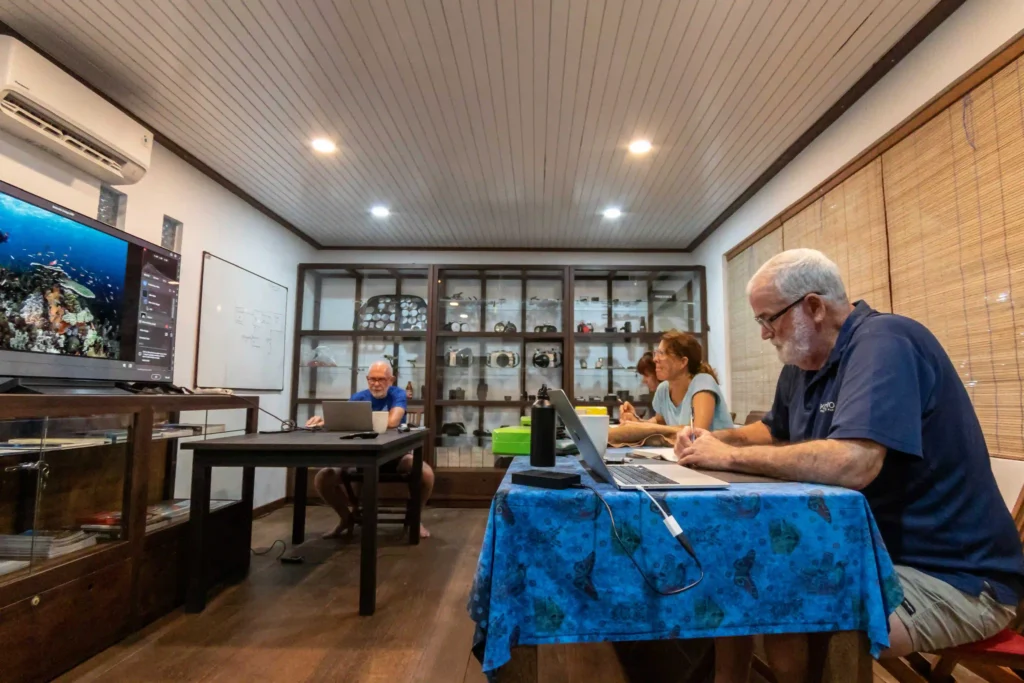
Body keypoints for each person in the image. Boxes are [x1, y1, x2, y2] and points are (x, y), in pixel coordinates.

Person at [675, 249, 1024, 683]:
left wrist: (726, 457)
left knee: (794, 604)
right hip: (865, 552)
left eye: (769, 319)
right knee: (742, 576)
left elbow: (853, 463)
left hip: (956, 577)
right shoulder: (803, 361)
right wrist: (710, 440)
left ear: (814, 307)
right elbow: (773, 430)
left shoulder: (887, 342)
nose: (765, 334)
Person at [305, 360, 435, 539]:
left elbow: (392, 422)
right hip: (360, 457)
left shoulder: (398, 394)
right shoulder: (358, 397)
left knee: (425, 473)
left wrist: (359, 422)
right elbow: (343, 422)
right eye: (372, 379)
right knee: (322, 478)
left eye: (381, 379)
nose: (376, 383)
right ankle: (346, 518)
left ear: (391, 380)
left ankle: (416, 518)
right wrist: (323, 421)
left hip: (395, 456)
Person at [620, 331, 732, 432]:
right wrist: (636, 421)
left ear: (683, 362)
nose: (655, 359)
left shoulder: (703, 382)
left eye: (661, 353)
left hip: (717, 453)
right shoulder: (663, 388)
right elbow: (660, 422)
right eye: (656, 353)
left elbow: (696, 432)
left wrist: (643, 427)